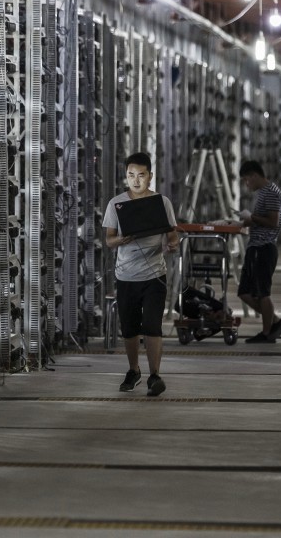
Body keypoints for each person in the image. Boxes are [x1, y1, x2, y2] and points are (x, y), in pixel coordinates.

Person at [102, 152, 179, 396]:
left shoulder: (161, 202)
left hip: (155, 274)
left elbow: (172, 235)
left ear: (150, 176)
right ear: (126, 176)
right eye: (131, 175)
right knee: (130, 328)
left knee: (152, 326)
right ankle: (133, 370)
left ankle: (155, 376)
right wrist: (121, 240)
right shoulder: (116, 204)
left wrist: (172, 244)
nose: (136, 180)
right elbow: (109, 240)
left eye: (141, 175)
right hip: (126, 276)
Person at [237, 160, 281, 343]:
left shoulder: (271, 192)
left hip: (264, 247)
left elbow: (273, 222)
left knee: (262, 292)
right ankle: (275, 321)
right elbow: (262, 219)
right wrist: (246, 221)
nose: (246, 184)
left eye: (247, 179)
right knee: (244, 292)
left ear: (255, 175)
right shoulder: (263, 193)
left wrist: (251, 217)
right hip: (256, 246)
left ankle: (267, 333)